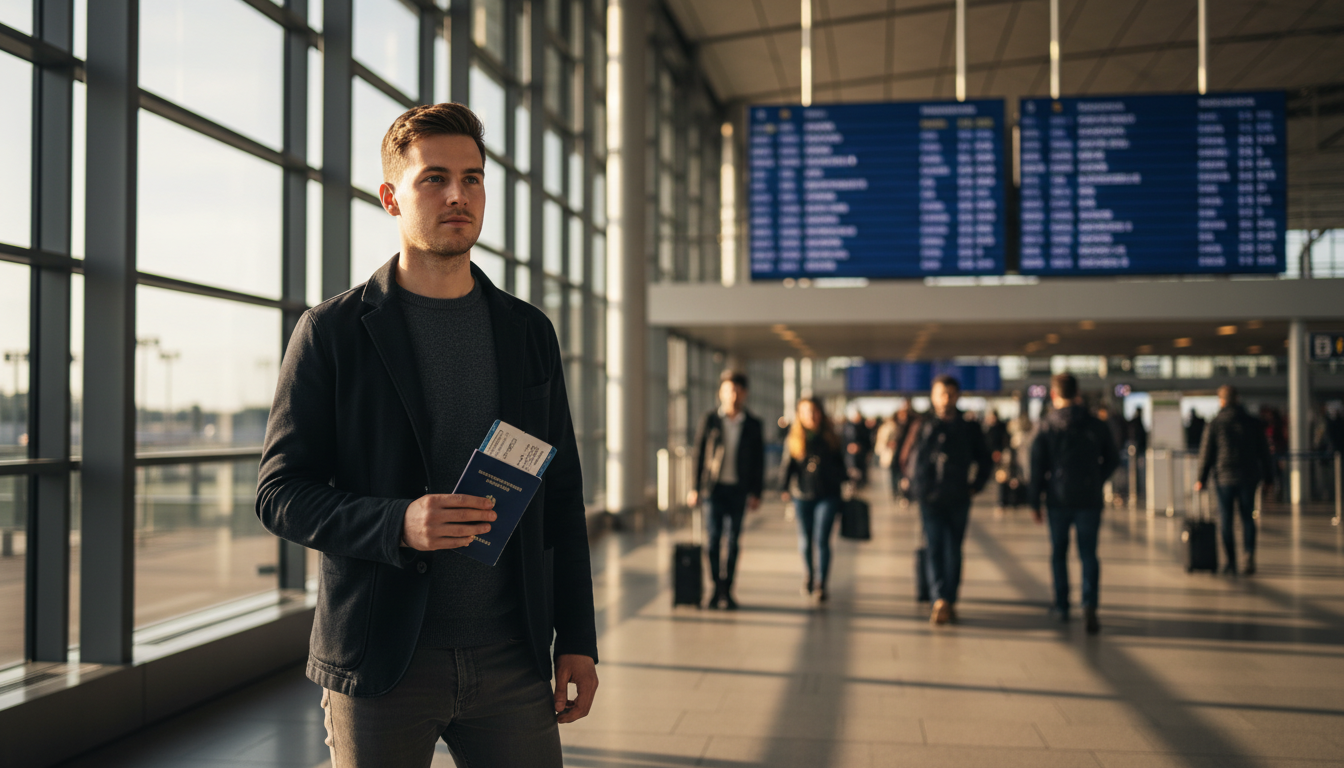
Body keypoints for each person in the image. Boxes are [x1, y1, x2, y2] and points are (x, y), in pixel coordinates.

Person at [256, 103, 597, 768]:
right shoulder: (333, 332)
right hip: (382, 658)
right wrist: (398, 523)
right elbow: (278, 493)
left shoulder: (528, 333)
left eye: (472, 179)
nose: (457, 196)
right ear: (390, 197)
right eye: (433, 178)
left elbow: (561, 498)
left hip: (512, 657)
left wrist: (577, 638)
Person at [1028, 374, 1119, 634]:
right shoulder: (1095, 423)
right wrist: (1096, 479)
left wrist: (1035, 501)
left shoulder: (1046, 426)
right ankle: (1089, 604)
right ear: (1078, 393)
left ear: (1054, 395)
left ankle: (1062, 604)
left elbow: (1037, 467)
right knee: (1088, 554)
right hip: (1089, 498)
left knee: (1059, 553)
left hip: (1058, 499)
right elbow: (1112, 459)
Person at [906, 376, 993, 625]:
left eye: (951, 394)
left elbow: (984, 459)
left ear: (958, 396)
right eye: (942, 394)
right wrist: (916, 487)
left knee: (953, 548)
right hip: (930, 498)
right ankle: (939, 599)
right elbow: (909, 457)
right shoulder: (923, 425)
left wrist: (975, 486)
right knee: (934, 547)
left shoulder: (968, 427)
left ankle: (950, 598)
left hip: (958, 496)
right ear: (933, 396)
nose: (946, 399)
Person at [688, 370, 766, 610]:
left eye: (736, 390)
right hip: (713, 489)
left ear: (744, 393)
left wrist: (756, 493)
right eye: (727, 390)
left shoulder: (753, 424)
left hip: (739, 490)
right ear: (720, 393)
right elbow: (698, 455)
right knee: (712, 541)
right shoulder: (710, 419)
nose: (732, 395)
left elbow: (758, 461)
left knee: (733, 542)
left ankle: (728, 589)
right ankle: (715, 588)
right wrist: (694, 488)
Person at [1196, 385, 1275, 576]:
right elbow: (1264, 453)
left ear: (1222, 401)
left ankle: (1231, 562)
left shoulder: (1215, 423)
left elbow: (1206, 453)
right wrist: (1269, 478)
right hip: (1248, 477)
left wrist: (1201, 479)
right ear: (1238, 400)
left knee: (1226, 520)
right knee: (1248, 518)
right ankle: (1248, 556)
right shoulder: (1253, 422)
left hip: (1224, 478)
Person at [780, 397, 847, 602]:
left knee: (822, 539)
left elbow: (841, 466)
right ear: (799, 414)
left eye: (814, 411)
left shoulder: (831, 437)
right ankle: (809, 574)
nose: (811, 415)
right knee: (805, 539)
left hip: (828, 494)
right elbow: (788, 465)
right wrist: (783, 488)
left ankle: (821, 583)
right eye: (806, 411)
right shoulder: (794, 438)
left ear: (821, 413)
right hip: (802, 494)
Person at [843, 409, 873, 489]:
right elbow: (844, 440)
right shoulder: (847, 426)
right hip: (850, 456)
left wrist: (861, 447)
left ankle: (861, 484)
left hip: (861, 456)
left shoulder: (864, 427)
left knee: (861, 472)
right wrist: (849, 447)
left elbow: (868, 442)